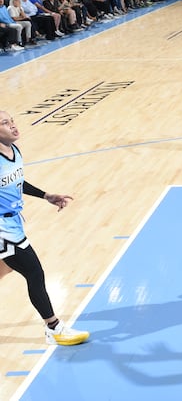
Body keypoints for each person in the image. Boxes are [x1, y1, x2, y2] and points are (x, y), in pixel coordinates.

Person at [0, 111, 90, 346]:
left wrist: (45, 195)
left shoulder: (13, 151)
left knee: (6, 269)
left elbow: (17, 182)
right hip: (2, 229)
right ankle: (54, 328)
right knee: (34, 273)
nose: (13, 126)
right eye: (5, 123)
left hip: (14, 222)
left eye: (12, 120)